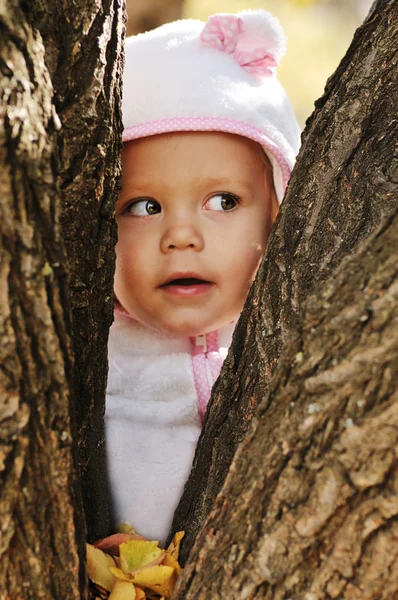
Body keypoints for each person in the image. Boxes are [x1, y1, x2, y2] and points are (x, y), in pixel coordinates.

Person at [105, 9, 301, 545]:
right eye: (144, 207)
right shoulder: (87, 361)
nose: (182, 236)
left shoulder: (296, 344)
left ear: (279, 212)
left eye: (223, 201)